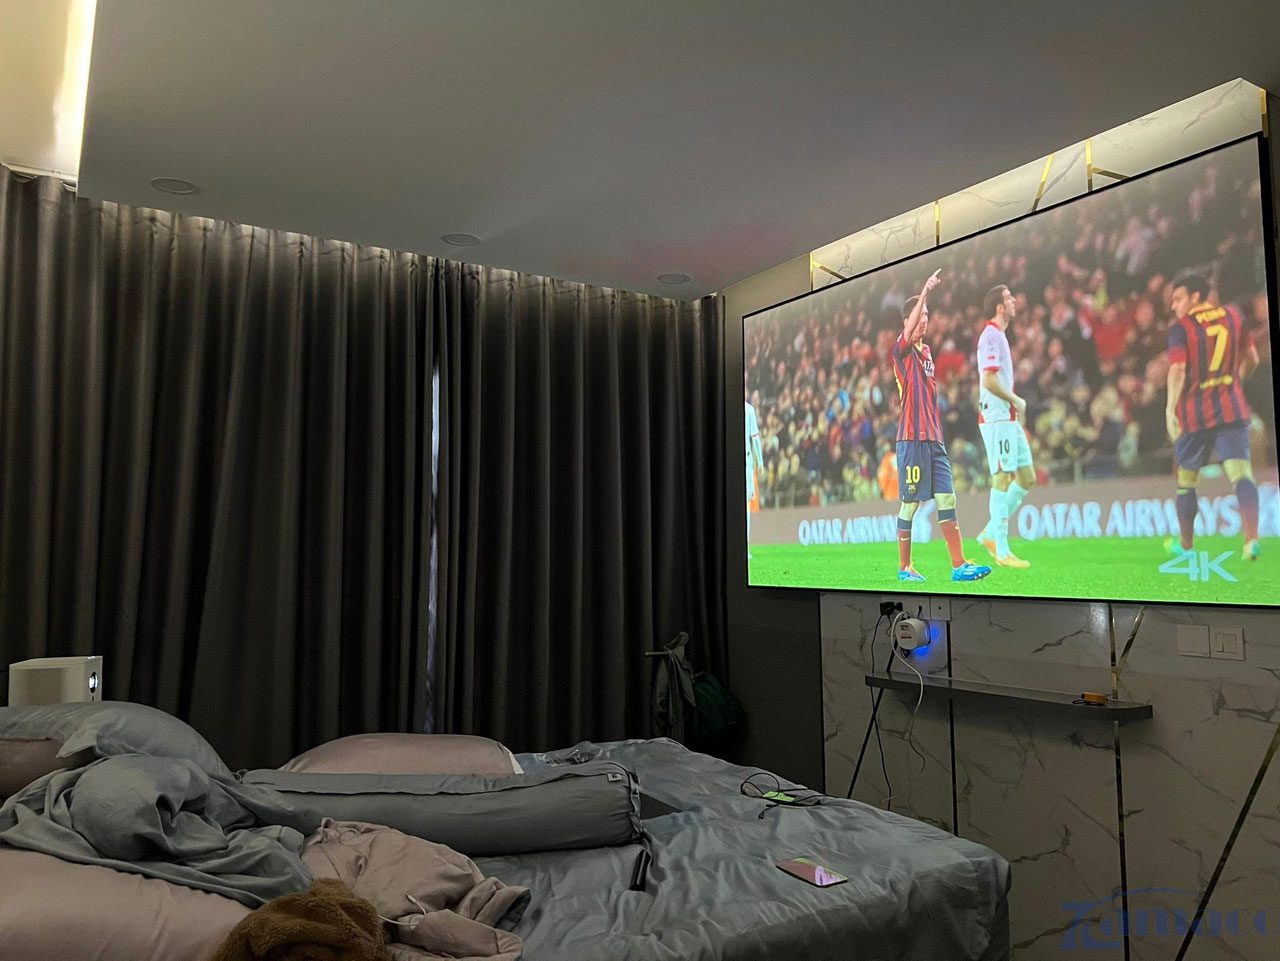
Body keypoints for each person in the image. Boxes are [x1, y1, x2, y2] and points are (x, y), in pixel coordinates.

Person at [891, 268, 991, 583]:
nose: (925, 319)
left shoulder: (928, 353)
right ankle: (905, 567)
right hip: (911, 439)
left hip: (934, 439)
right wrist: (925, 290)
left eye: (927, 315)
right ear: (908, 321)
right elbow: (910, 327)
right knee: (910, 503)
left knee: (947, 499)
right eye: (920, 315)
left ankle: (959, 566)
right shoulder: (901, 350)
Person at [1164, 269, 1261, 559]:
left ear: (1195, 297)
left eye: (1178, 299)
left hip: (1194, 411)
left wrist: (1170, 408)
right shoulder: (1233, 316)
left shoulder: (1182, 328)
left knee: (1186, 479)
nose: (1174, 305)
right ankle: (1251, 540)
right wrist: (1234, 382)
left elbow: (1178, 370)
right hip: (1231, 407)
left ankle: (1186, 544)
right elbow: (1253, 358)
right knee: (1241, 474)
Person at [974, 284, 1035, 568]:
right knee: (1001, 478)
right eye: (1009, 297)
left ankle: (989, 533)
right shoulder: (990, 336)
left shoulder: (999, 335)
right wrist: (1015, 399)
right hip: (997, 417)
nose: (1014, 301)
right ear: (1000, 307)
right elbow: (988, 380)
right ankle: (1001, 550)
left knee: (1027, 477)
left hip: (1007, 417)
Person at [745, 396, 765, 560]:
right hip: (746, 463)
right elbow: (755, 437)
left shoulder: (749, 410)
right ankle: (743, 547)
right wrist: (761, 461)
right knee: (745, 505)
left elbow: (755, 437)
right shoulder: (749, 410)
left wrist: (760, 461)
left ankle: (743, 546)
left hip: (745, 463)